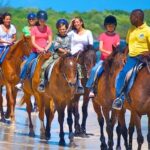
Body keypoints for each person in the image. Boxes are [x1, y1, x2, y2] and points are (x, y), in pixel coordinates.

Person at [112, 9, 150, 110]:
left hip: (146, 58)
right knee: (122, 74)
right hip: (133, 58)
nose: (130, 18)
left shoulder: (148, 30)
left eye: (131, 16)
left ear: (138, 17)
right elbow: (128, 44)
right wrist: (125, 55)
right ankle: (119, 98)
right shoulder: (131, 30)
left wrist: (147, 53)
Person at [16, 10, 52, 90]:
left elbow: (50, 41)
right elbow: (33, 42)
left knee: (54, 63)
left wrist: (45, 49)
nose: (42, 21)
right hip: (35, 52)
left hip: (46, 51)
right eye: (41, 19)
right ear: (38, 20)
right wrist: (40, 49)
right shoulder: (34, 29)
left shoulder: (48, 29)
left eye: (44, 20)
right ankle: (21, 81)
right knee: (27, 63)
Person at [86, 15, 120, 98]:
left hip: (114, 60)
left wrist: (114, 53)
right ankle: (91, 88)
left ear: (115, 26)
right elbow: (101, 48)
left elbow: (117, 47)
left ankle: (122, 91)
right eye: (109, 26)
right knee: (94, 70)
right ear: (106, 26)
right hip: (104, 60)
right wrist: (109, 52)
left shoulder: (117, 36)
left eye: (112, 26)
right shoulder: (102, 35)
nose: (110, 27)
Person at [38, 18, 71, 92]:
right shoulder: (57, 37)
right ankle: (42, 82)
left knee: (77, 66)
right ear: (58, 30)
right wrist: (63, 51)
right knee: (45, 65)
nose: (63, 30)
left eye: (64, 29)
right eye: (61, 29)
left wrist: (67, 51)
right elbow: (57, 47)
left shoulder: (69, 37)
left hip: (68, 55)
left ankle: (78, 84)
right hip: (57, 55)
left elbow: (69, 46)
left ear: (66, 29)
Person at [68, 16, 94, 94]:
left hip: (85, 52)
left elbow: (91, 44)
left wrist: (85, 51)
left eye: (77, 22)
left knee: (91, 64)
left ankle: (92, 86)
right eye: (74, 22)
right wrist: (70, 25)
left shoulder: (88, 32)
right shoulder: (72, 33)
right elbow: (64, 35)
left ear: (81, 22)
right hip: (72, 54)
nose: (76, 24)